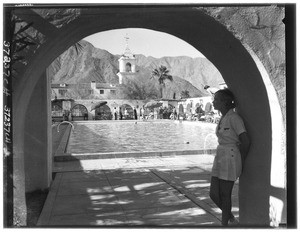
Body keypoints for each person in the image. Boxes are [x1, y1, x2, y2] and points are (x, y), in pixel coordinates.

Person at [209, 88, 250, 226]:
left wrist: (242, 160)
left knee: (225, 195)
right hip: (220, 156)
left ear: (224, 102)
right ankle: (231, 218)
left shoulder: (234, 118)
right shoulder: (223, 117)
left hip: (230, 157)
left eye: (216, 99)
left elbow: (245, 141)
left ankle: (225, 225)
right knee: (213, 194)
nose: (213, 102)